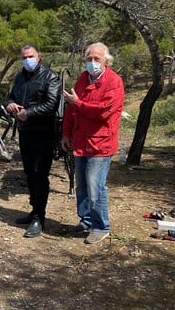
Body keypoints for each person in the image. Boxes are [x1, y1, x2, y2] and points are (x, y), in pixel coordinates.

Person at [61, 42, 124, 244]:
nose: (92, 62)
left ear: (106, 61)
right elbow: (70, 110)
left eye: (97, 59)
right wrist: (65, 134)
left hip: (101, 143)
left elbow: (103, 112)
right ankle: (86, 219)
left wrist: (77, 103)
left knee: (95, 186)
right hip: (80, 141)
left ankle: (101, 226)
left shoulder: (114, 81)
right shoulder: (81, 79)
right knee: (81, 185)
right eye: (89, 58)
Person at [6, 45, 61, 238]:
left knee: (40, 174)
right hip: (25, 133)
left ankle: (39, 217)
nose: (27, 60)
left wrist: (27, 113)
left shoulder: (50, 77)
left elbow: (51, 104)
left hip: (43, 133)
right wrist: (10, 104)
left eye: (30, 56)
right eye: (24, 57)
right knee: (29, 172)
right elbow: (11, 96)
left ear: (39, 57)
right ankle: (33, 209)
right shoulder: (20, 77)